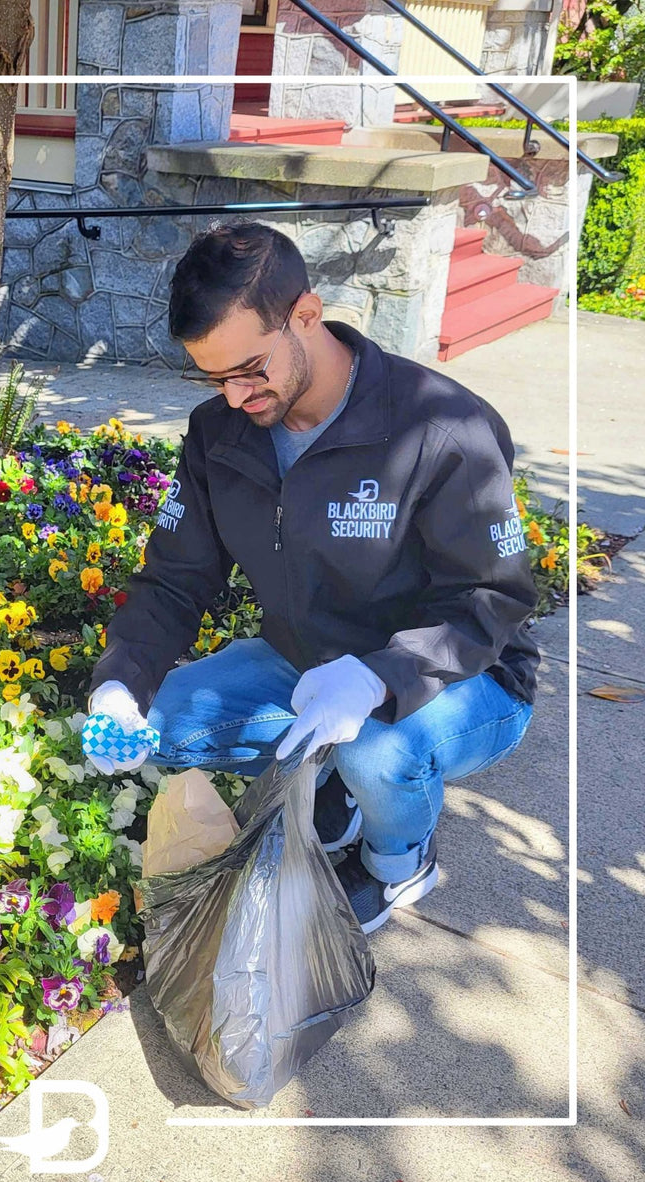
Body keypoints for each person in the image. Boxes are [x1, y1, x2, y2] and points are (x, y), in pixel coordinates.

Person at [84, 220, 539, 934]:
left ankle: (397, 862)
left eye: (250, 369)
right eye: (214, 378)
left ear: (306, 313)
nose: (234, 397)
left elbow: (493, 600)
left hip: (461, 677)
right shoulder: (219, 432)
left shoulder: (444, 427)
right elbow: (175, 579)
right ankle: (329, 775)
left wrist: (379, 677)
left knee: (378, 748)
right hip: (303, 659)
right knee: (160, 723)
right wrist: (120, 683)